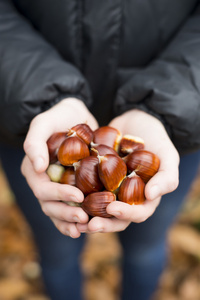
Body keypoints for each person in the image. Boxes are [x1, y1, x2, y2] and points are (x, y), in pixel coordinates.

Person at [0, 0, 200, 299]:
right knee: (57, 250)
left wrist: (168, 106)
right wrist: (39, 94)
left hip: (177, 125)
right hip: (27, 118)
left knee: (145, 247)